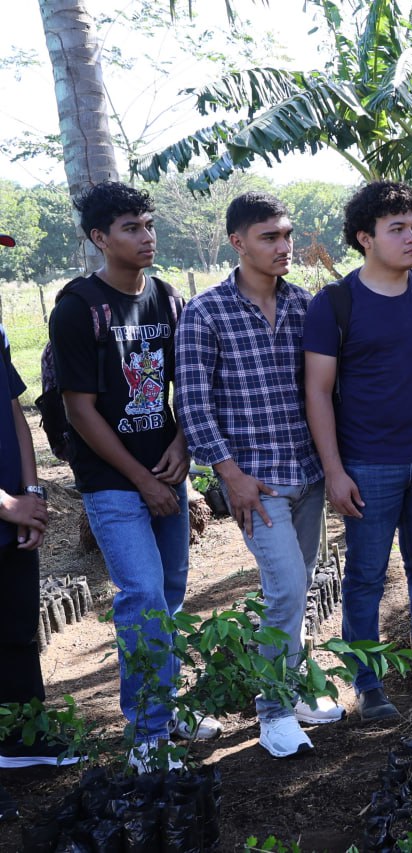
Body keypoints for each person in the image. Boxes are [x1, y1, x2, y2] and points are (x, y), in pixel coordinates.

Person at [49, 182, 220, 770]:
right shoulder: (78, 308)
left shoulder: (168, 300)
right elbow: (80, 409)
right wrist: (141, 479)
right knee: (142, 595)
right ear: (100, 238)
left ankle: (168, 708)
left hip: (168, 470)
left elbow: (188, 386)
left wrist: (182, 446)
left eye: (148, 225)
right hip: (112, 482)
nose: (146, 237)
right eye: (131, 228)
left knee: (169, 595)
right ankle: (146, 734)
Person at [175, 192, 344, 758]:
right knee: (286, 589)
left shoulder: (305, 306)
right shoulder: (206, 312)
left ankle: (295, 690)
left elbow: (325, 390)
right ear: (238, 242)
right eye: (269, 237)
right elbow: (193, 403)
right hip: (256, 484)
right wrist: (230, 476)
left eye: (287, 235)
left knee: (301, 587)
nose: (284, 246)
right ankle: (272, 712)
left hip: (308, 475)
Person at [303, 181, 412, 721]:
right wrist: (334, 470)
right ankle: (368, 683)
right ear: (365, 238)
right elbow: (317, 392)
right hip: (367, 465)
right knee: (366, 577)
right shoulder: (336, 304)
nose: (411, 238)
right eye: (396, 229)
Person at [0, 312, 79, 814]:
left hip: (13, 514)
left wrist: (32, 493)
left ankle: (21, 738)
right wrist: (8, 504)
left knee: (17, 628)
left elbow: (14, 413)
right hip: (5, 508)